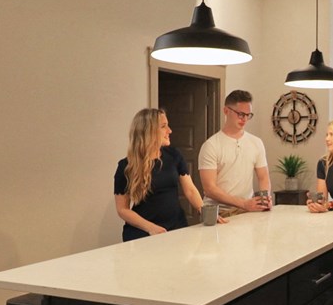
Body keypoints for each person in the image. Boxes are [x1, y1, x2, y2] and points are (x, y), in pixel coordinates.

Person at [114, 108, 224, 242]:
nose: (170, 131)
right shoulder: (126, 166)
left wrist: (206, 212)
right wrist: (151, 228)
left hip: (176, 228)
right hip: (142, 234)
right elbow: (122, 210)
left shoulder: (173, 155)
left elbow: (190, 190)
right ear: (149, 131)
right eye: (163, 126)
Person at [199, 90, 271, 216]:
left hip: (246, 211)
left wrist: (264, 199)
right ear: (226, 111)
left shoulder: (256, 142)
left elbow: (263, 177)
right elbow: (209, 189)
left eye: (248, 115)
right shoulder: (211, 145)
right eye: (240, 114)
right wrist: (243, 203)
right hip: (218, 213)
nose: (244, 119)